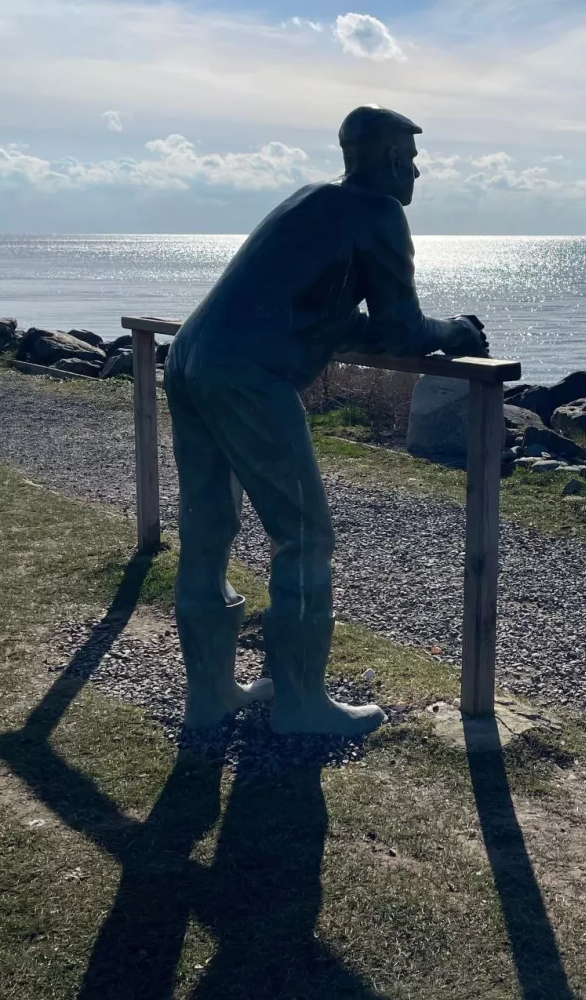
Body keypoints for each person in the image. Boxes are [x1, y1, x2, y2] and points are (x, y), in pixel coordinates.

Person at [166, 105, 488, 736]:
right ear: (391, 158)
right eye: (412, 158)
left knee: (207, 529)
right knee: (304, 537)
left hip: (190, 356)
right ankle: (300, 705)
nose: (417, 171)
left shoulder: (310, 201)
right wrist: (457, 331)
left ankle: (210, 696)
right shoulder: (378, 212)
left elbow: (326, 313)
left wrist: (391, 328)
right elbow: (402, 330)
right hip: (247, 375)